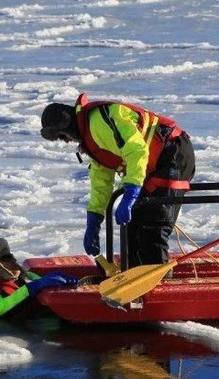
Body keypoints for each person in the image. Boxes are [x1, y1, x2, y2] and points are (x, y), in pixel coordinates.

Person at [40, 93, 195, 267]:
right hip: (152, 166)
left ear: (67, 128)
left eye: (63, 136)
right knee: (133, 229)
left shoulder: (100, 121)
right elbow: (101, 180)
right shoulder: (91, 138)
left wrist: (132, 192)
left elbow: (137, 150)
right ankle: (135, 276)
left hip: (172, 154)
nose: (66, 141)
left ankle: (157, 283)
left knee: (152, 226)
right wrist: (94, 218)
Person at [0, 238, 76, 318]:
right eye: (7, 257)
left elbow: (40, 283)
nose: (14, 260)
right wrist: (29, 289)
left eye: (12, 256)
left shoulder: (24, 277)